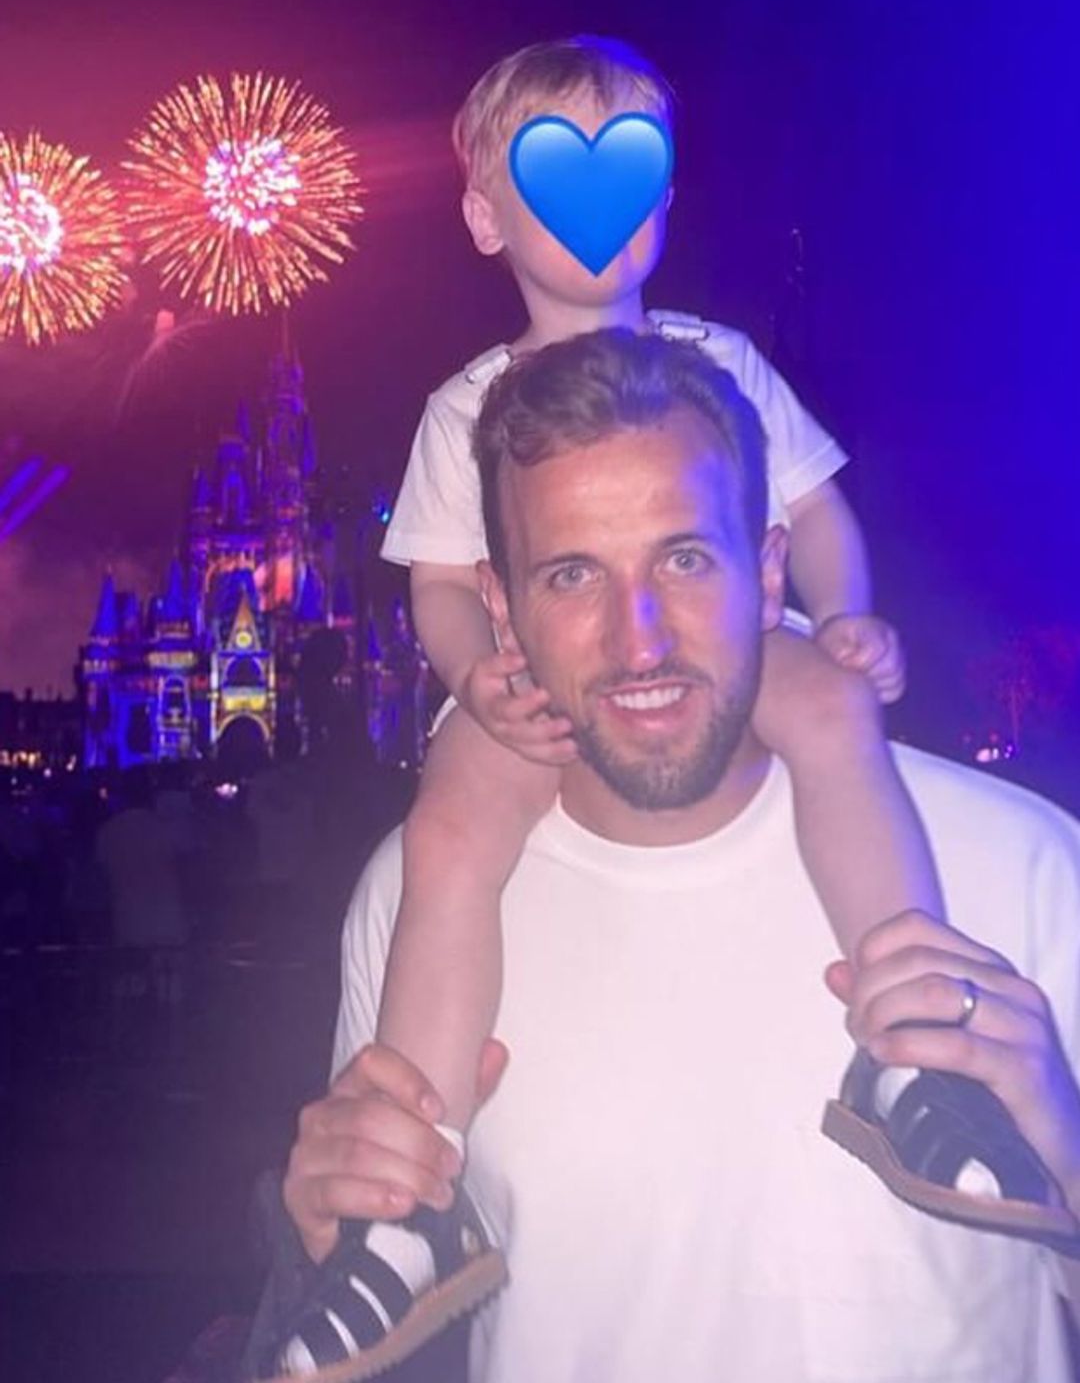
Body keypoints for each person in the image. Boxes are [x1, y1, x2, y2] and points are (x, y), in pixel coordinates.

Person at [272, 34, 950, 1372]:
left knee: (831, 722)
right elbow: (440, 592)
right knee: (451, 835)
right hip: (538, 695)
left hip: (749, 656)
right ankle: (411, 1188)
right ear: (483, 216)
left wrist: (849, 611)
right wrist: (484, 678)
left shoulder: (724, 359)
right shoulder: (465, 407)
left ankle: (919, 1049)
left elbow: (815, 514)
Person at [248, 330, 1080, 1383]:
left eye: (684, 558)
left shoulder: (1032, 867)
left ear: (769, 568)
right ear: (500, 614)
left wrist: (1067, 1146)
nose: (638, 639)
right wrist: (322, 1238)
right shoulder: (416, 896)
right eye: (570, 575)